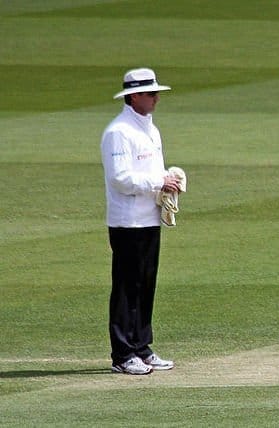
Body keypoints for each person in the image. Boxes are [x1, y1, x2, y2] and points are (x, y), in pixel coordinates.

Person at [101, 68, 181, 374]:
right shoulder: (118, 132)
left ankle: (142, 347)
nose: (156, 98)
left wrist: (167, 182)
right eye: (150, 93)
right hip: (127, 222)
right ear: (133, 96)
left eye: (156, 92)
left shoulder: (150, 130)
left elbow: (150, 173)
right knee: (127, 286)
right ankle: (123, 354)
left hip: (149, 219)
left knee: (146, 284)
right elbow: (120, 178)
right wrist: (159, 183)